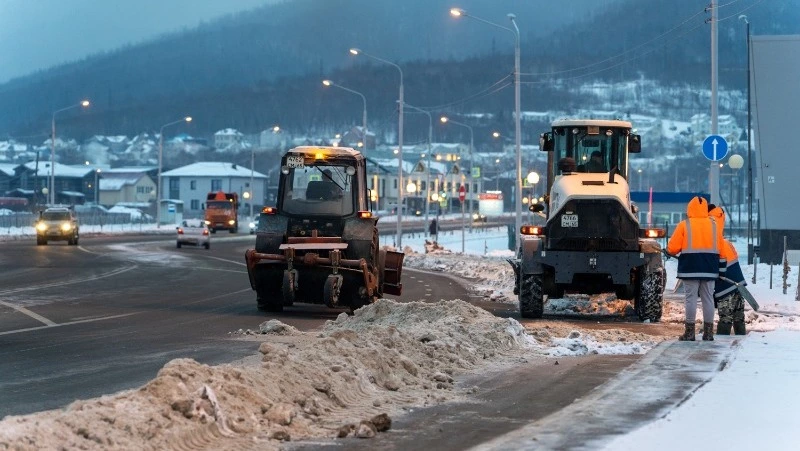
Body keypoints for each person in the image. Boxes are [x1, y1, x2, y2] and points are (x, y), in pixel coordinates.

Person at [666, 196, 723, 341]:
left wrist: (669, 251)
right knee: (708, 298)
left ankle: (690, 333)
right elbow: (720, 246)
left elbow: (673, 248)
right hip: (710, 266)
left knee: (690, 299)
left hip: (690, 266)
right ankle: (708, 333)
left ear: (690, 208)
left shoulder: (685, 225)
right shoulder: (714, 225)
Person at [708, 204, 747, 335]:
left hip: (724, 286)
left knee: (725, 318)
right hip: (739, 285)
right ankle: (740, 340)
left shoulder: (713, 242)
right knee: (739, 317)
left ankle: (722, 344)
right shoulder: (727, 243)